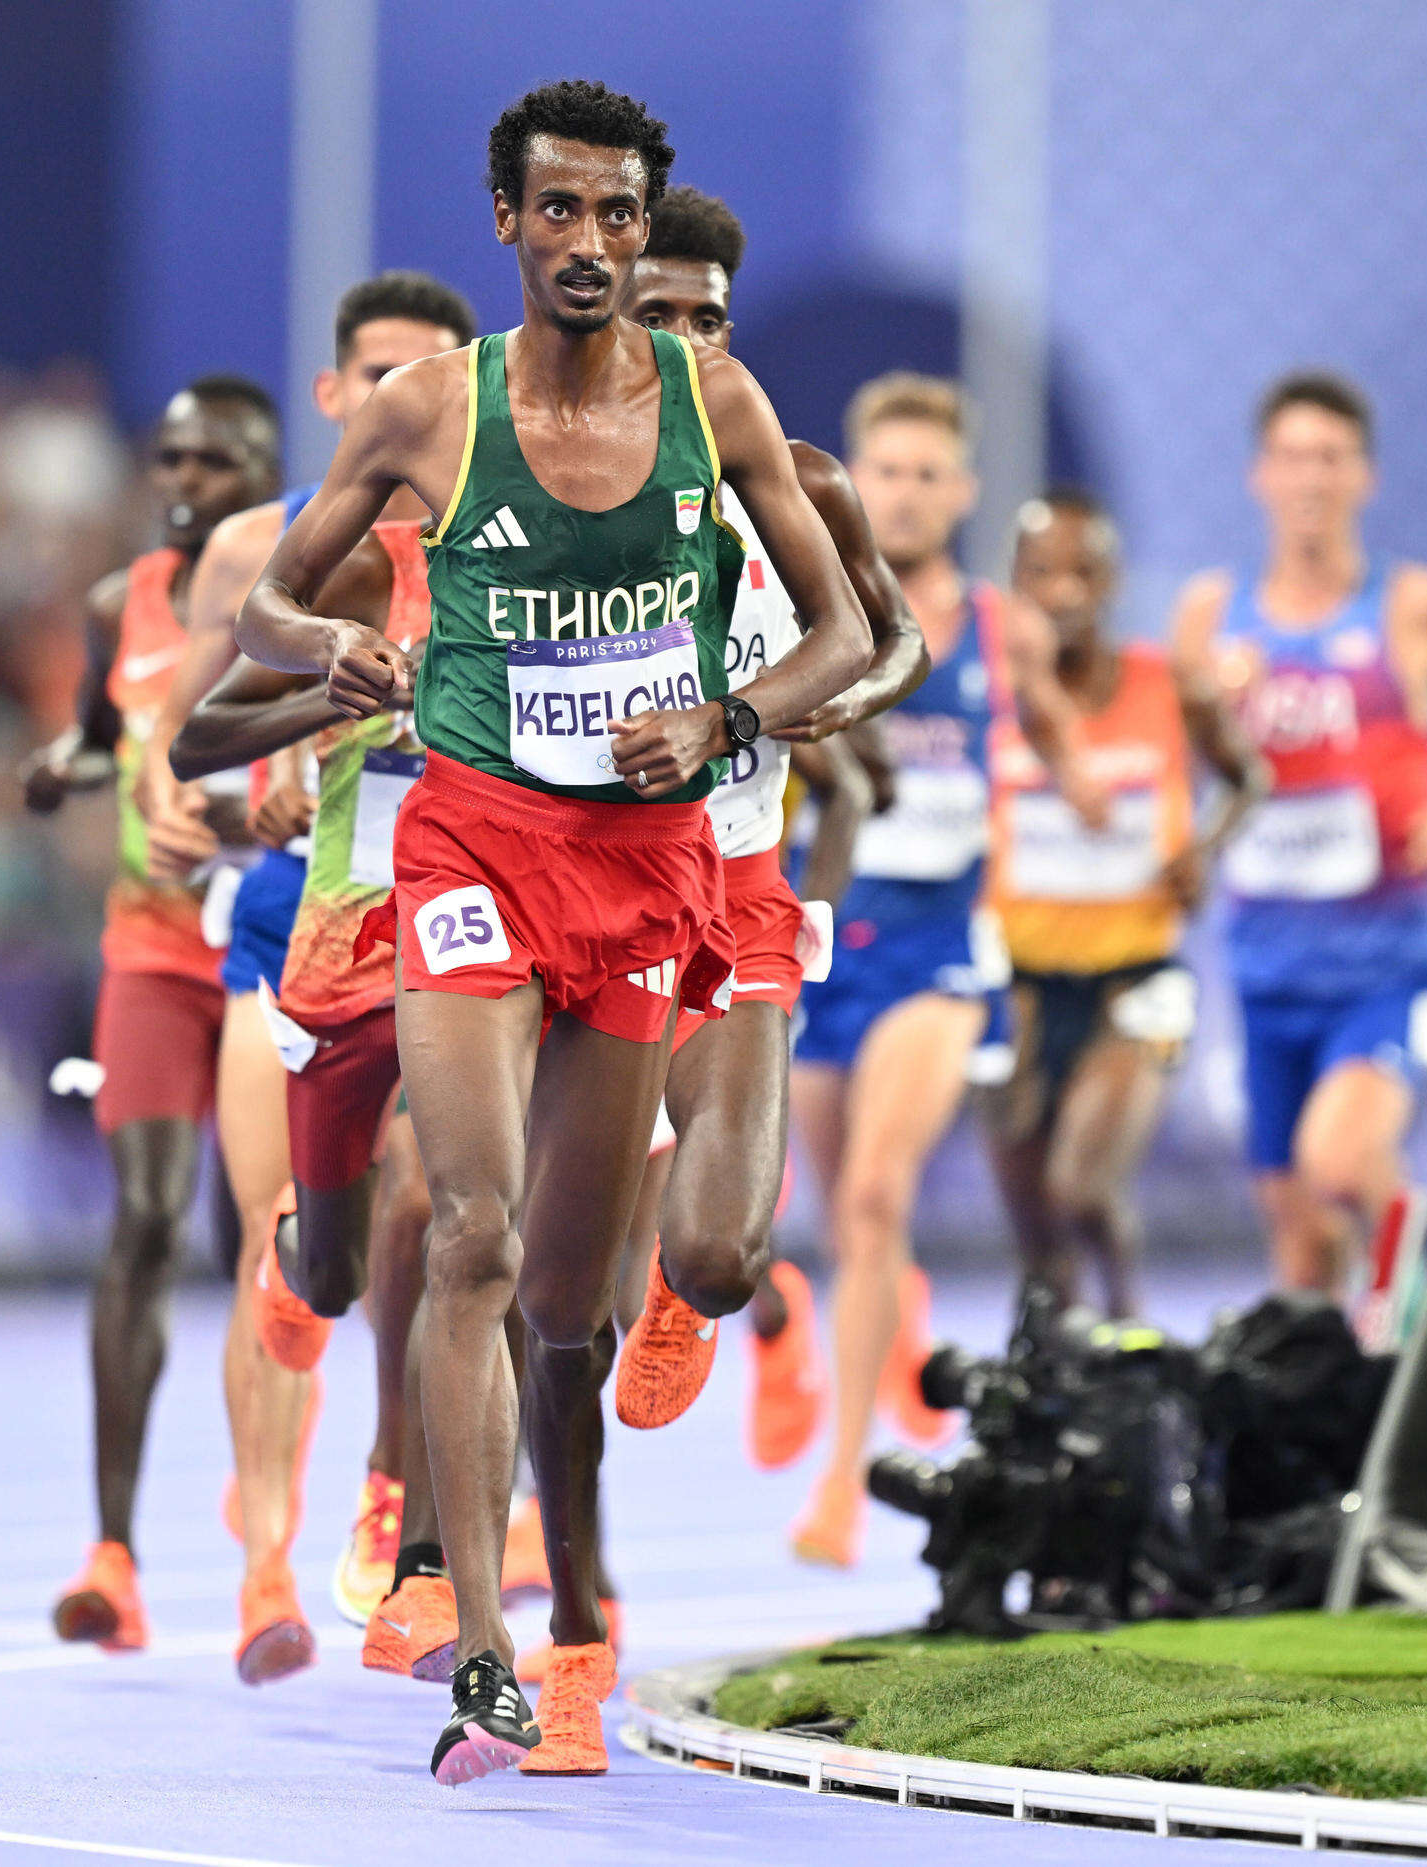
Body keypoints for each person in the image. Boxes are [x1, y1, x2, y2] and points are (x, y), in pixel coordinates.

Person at [237, 80, 873, 1783]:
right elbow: (266, 599)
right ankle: (479, 1647)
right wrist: (333, 651)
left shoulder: (710, 399)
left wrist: (733, 723)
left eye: (618, 218)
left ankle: (560, 1572)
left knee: (570, 1307)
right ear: (508, 223)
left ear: (642, 231)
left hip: (654, 870)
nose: (591, 244)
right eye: (561, 213)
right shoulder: (429, 411)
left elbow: (837, 636)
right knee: (471, 1234)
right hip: (473, 846)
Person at [162, 273, 480, 1638]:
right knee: (290, 1239)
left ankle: (397, 1503)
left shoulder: (507, 543)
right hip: (296, 915)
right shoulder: (263, 550)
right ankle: (263, 1572)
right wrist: (269, 786)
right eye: (378, 381)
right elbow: (184, 777)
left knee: (439, 1200)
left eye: (431, 382)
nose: (401, 406)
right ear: (336, 397)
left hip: (460, 921)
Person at [605, 186, 926, 1491]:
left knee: (713, 1249)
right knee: (538, 1248)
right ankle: (496, 1580)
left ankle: (718, 1295)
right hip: (585, 892)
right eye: (656, 313)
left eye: (709, 317)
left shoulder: (797, 482)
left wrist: (820, 701)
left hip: (735, 886)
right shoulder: (537, 475)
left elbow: (885, 633)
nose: (687, 338)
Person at [782, 372, 1092, 1570]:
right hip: (821, 937)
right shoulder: (808, 605)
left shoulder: (999, 627)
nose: (904, 496)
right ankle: (884, 1299)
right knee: (829, 1208)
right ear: (850, 481)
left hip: (938, 949)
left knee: (870, 1194)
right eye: (885, 471)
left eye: (926, 475)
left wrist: (1075, 785)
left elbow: (1062, 734)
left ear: (962, 493)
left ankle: (841, 1477)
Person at [1169, 373, 1427, 1307]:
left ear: (1365, 477)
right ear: (1261, 475)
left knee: (1340, 1160)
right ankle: (1355, 1428)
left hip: (1385, 975)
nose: (1311, 476)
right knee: (1301, 1260)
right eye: (1293, 456)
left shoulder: (1418, 606)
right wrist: (1184, 839)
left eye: (1331, 457)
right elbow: (1182, 771)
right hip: (1264, 981)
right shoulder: (1211, 618)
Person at [21, 376, 282, 1661]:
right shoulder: (111, 607)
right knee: (141, 1213)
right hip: (147, 952)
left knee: (266, 1244)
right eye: (172, 457)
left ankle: (272, 1504)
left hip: (264, 948)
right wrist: (58, 766)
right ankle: (112, 1555)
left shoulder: (294, 592)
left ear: (266, 479)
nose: (186, 480)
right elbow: (96, 734)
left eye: (218, 463)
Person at [979, 490, 1268, 1320]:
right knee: (1034, 1235)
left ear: (1111, 584)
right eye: (1040, 574)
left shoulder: (1166, 684)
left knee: (1078, 1187)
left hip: (1137, 981)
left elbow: (1249, 776)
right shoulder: (990, 692)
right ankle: (1060, 1381)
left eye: (1082, 572)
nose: (1062, 590)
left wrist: (1202, 853)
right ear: (1013, 588)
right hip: (1018, 983)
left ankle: (1125, 1319)